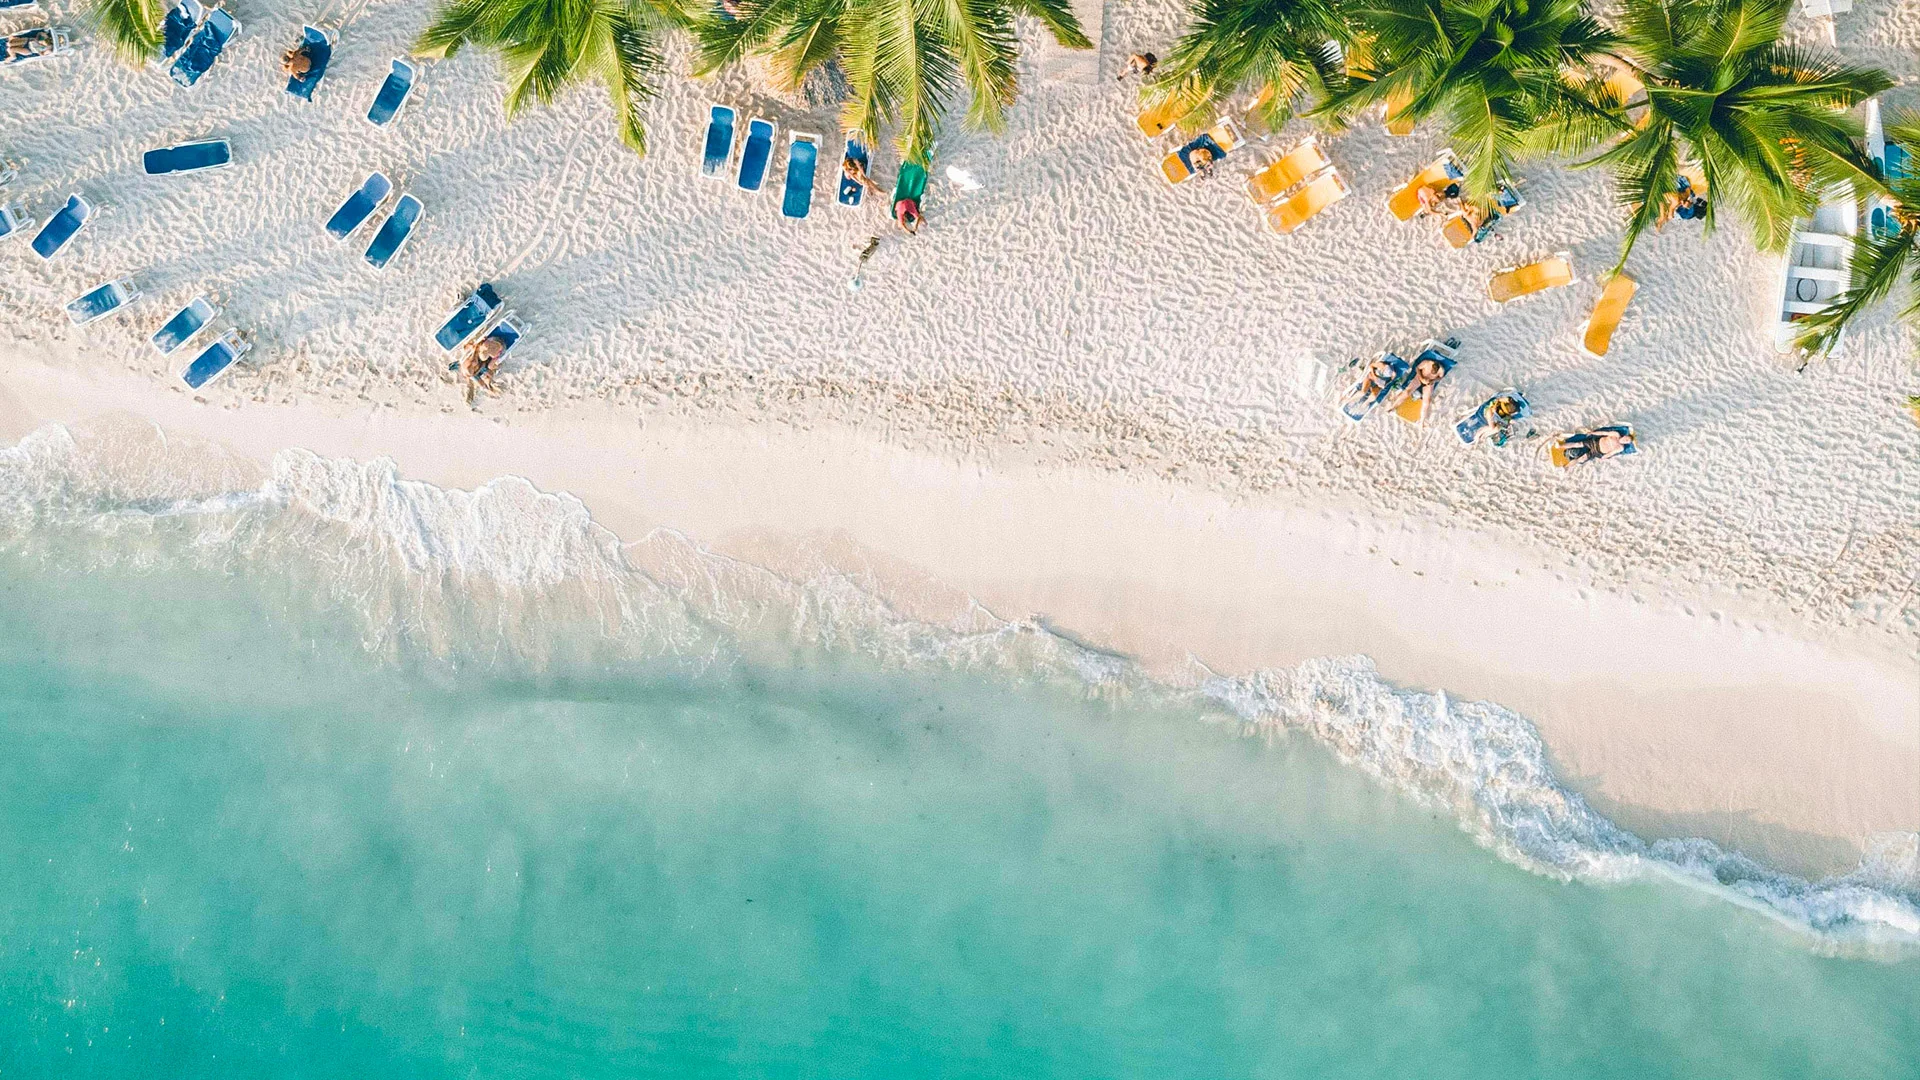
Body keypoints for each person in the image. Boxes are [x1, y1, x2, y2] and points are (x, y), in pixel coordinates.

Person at [459, 336, 505, 403]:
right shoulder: (474, 360)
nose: (473, 364)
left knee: (484, 376)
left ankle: (484, 386)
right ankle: (481, 386)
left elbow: (491, 368)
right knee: (476, 377)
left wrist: (492, 369)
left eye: (471, 365)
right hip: (486, 355)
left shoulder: (476, 354)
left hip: (494, 349)